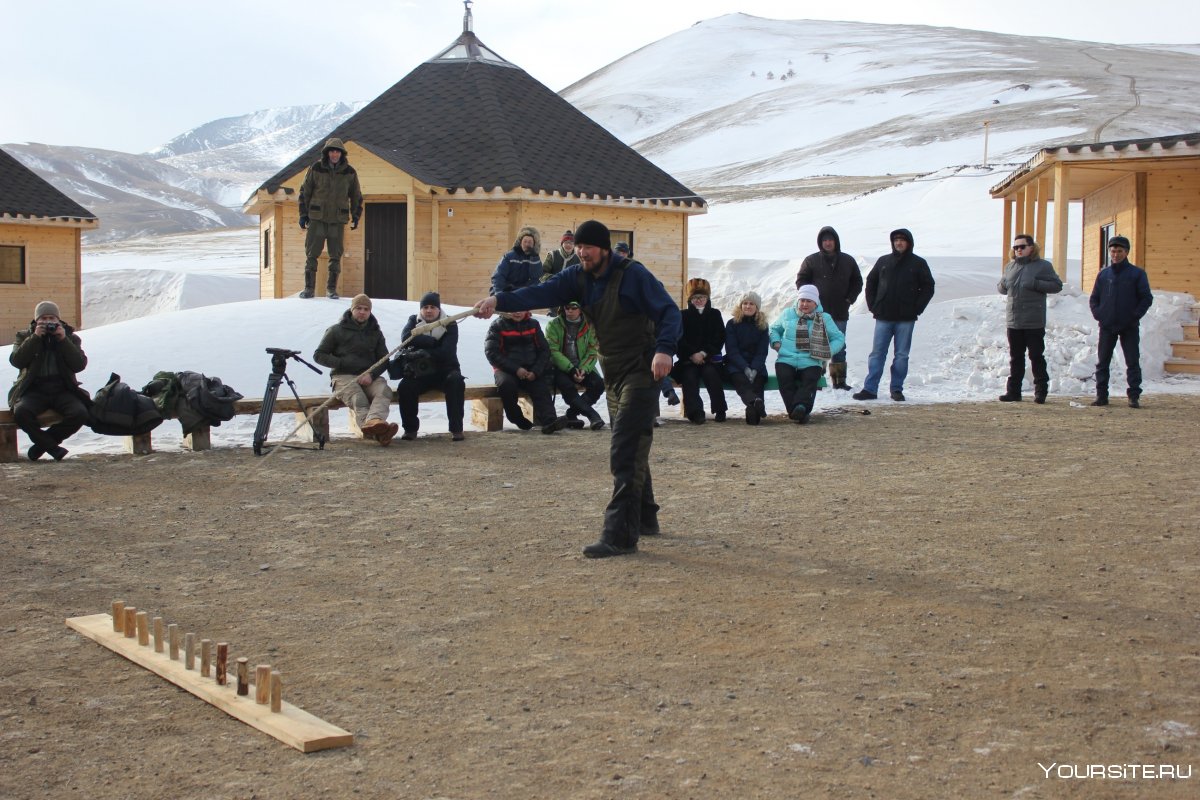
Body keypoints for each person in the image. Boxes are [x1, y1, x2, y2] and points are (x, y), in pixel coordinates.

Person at [474, 220, 681, 558]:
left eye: (588, 248)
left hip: (643, 370)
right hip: (612, 371)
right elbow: (539, 292)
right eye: (579, 247)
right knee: (632, 443)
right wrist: (499, 301)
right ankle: (645, 517)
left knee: (624, 449)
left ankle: (620, 536)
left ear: (604, 249)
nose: (582, 252)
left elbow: (670, 312)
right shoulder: (577, 276)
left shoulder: (634, 275)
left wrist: (665, 349)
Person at [853, 229, 935, 402]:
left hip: (906, 318)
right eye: (896, 240)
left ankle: (896, 389)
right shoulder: (883, 261)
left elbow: (928, 287)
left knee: (901, 355)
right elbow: (871, 282)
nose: (899, 243)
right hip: (883, 315)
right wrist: (873, 305)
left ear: (909, 242)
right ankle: (870, 388)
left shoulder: (918, 263)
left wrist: (917, 308)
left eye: (902, 240)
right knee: (877, 353)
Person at [8, 300, 90, 461]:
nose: (47, 322)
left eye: (51, 318)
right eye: (43, 318)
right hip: (33, 389)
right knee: (21, 412)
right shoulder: (24, 335)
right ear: (36, 320)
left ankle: (41, 445)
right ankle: (52, 448)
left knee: (80, 413)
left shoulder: (70, 337)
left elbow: (79, 365)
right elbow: (17, 361)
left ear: (58, 320)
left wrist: (63, 340)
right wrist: (35, 338)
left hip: (62, 389)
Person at [313, 294, 398, 445]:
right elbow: (319, 355)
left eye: (366, 309)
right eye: (358, 308)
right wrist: (341, 362)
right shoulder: (336, 330)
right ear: (352, 309)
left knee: (384, 391)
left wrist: (371, 375)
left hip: (368, 376)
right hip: (342, 376)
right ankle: (380, 433)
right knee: (359, 399)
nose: (362, 312)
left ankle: (375, 424)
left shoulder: (376, 333)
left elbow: (384, 360)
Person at [997, 234, 1063, 403]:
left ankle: (1041, 391)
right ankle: (1014, 392)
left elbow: (1057, 285)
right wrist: (1002, 285)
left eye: (1022, 246)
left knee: (1036, 356)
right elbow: (1003, 287)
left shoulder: (1043, 266)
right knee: (1015, 357)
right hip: (1014, 320)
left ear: (1031, 248)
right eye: (1016, 247)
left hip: (1034, 320)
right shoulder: (1010, 267)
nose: (1018, 250)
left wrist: (1036, 284)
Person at [795, 226, 862, 390]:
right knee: (817, 345)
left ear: (836, 241)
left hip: (840, 311)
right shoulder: (811, 260)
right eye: (824, 240)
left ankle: (839, 381)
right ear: (820, 242)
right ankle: (817, 379)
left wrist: (850, 298)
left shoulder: (848, 260)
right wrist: (811, 300)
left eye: (830, 239)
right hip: (818, 312)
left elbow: (857, 282)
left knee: (839, 345)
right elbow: (801, 281)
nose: (827, 243)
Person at [1089, 235, 1153, 408]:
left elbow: (1146, 298)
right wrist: (1099, 314)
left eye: (1119, 251)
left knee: (1132, 361)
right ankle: (1101, 396)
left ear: (1126, 252)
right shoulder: (1104, 275)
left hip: (1129, 326)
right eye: (1112, 251)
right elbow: (1094, 298)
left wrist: (1134, 316)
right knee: (1103, 362)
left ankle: (1133, 396)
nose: (1115, 254)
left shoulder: (1137, 274)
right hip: (1107, 325)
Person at [395, 292, 466, 441]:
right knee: (405, 387)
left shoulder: (450, 323)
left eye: (432, 307)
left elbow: (447, 351)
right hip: (420, 372)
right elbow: (406, 338)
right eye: (425, 307)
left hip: (445, 369)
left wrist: (422, 349)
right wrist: (431, 342)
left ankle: (456, 428)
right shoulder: (413, 320)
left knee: (456, 381)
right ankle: (410, 429)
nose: (428, 310)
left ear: (439, 309)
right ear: (421, 309)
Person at [298, 137, 363, 299]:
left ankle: (331, 290)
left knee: (336, 255)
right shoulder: (316, 168)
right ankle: (309, 289)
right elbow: (305, 192)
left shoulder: (349, 172)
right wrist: (303, 214)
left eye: (337, 151)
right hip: (316, 218)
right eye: (332, 151)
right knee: (312, 254)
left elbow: (356, 196)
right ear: (327, 153)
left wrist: (356, 215)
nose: (335, 154)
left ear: (342, 154)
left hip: (337, 220)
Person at [770, 285, 846, 423]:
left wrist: (827, 351)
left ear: (816, 303)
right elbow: (774, 329)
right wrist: (776, 343)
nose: (804, 304)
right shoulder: (787, 313)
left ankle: (799, 409)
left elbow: (839, 338)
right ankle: (800, 411)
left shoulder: (824, 318)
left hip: (811, 359)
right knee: (785, 378)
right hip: (786, 358)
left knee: (810, 380)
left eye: (809, 301)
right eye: (802, 300)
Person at [483, 310, 564, 434]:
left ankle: (550, 421)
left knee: (540, 387)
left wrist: (536, 371)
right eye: (513, 310)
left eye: (520, 309)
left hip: (530, 369)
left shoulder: (533, 324)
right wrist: (516, 369)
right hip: (506, 369)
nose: (517, 313)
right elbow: (492, 353)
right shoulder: (497, 325)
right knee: (506, 385)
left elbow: (544, 351)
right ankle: (516, 417)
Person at [672, 278, 728, 424]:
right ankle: (695, 412)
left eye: (702, 297)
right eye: (695, 297)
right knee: (689, 377)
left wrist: (704, 353)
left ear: (707, 298)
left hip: (709, 358)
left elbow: (719, 337)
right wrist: (692, 354)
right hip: (688, 359)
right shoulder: (682, 315)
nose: (699, 300)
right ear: (690, 299)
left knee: (711, 374)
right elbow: (679, 338)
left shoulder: (715, 314)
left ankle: (720, 409)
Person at [545, 300, 606, 430]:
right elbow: (553, 351)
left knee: (598, 384)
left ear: (580, 310)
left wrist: (583, 369)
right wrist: (571, 369)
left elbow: (592, 350)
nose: (570, 311)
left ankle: (570, 415)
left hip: (582, 366)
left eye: (574, 308)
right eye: (567, 308)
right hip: (559, 367)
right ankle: (593, 415)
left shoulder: (589, 326)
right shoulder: (553, 324)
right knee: (567, 386)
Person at [724, 290, 770, 425]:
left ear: (757, 307)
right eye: (745, 303)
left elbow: (762, 351)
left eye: (751, 304)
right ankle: (755, 402)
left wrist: (755, 368)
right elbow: (732, 350)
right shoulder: (732, 324)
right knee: (742, 383)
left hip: (757, 365)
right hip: (736, 365)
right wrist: (745, 368)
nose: (748, 306)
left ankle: (754, 406)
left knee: (757, 384)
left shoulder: (762, 326)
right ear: (740, 305)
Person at [490, 226, 543, 296]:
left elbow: (537, 278)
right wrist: (499, 294)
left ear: (534, 244)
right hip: (504, 291)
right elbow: (498, 276)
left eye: (530, 242)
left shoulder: (535, 259)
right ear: (520, 242)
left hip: (521, 293)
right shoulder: (509, 256)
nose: (527, 244)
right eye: (525, 241)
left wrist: (534, 257)